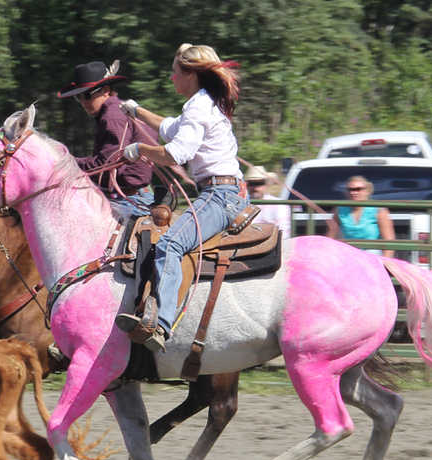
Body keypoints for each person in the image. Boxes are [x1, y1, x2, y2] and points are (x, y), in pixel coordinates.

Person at [116, 43, 248, 352]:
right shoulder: (203, 102)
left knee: (170, 243)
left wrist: (139, 150)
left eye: (176, 72)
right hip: (223, 191)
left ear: (191, 74)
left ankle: (160, 324)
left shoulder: (199, 106)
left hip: (219, 195)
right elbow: (170, 128)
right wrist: (136, 111)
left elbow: (177, 151)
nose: (172, 78)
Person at [57, 60, 158, 221]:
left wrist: (67, 163)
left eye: (87, 95)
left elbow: (107, 164)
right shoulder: (118, 110)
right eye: (79, 97)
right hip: (132, 195)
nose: (83, 102)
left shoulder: (112, 116)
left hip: (128, 199)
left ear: (105, 90)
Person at [326, 175, 396, 258]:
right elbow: (329, 238)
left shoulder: (379, 210)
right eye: (350, 189)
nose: (353, 192)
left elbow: (389, 241)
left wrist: (384, 263)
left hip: (372, 255)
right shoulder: (339, 210)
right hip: (348, 253)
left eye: (358, 189)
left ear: (367, 191)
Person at [244, 165, 291, 239]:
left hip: (272, 244)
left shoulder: (279, 205)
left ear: (266, 184)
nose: (255, 187)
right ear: (247, 186)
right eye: (251, 184)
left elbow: (283, 232)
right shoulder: (241, 205)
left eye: (259, 183)